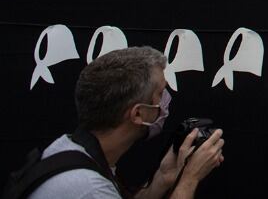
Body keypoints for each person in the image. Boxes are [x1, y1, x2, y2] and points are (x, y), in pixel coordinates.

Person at [17, 47, 223, 199]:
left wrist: (162, 179)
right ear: (138, 114)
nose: (166, 101)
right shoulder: (89, 189)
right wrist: (189, 180)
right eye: (160, 93)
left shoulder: (70, 149)